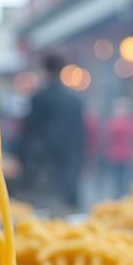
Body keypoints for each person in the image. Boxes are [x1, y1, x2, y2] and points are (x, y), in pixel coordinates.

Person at [18, 51, 86, 209]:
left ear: (44, 69)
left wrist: (24, 162)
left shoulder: (39, 99)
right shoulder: (75, 101)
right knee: (68, 210)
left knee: (44, 210)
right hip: (68, 164)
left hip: (44, 167)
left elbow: (29, 135)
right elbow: (80, 137)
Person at [102, 97, 133, 197]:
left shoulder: (127, 122)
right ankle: (118, 198)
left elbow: (132, 138)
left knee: (124, 181)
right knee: (117, 181)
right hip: (115, 155)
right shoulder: (114, 122)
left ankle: (123, 198)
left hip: (125, 155)